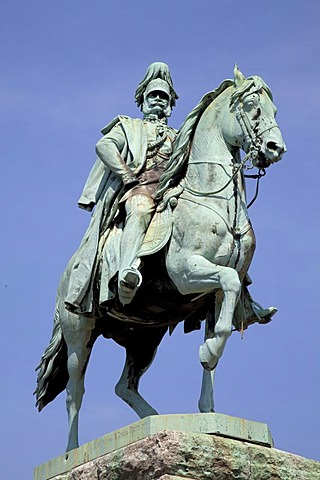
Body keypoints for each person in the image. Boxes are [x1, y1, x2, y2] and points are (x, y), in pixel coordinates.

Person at [65, 62, 178, 312]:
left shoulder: (179, 135)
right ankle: (127, 270)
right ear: (144, 100)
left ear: (170, 104)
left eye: (163, 96)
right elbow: (104, 146)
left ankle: (239, 299)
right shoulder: (128, 126)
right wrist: (126, 174)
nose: (158, 100)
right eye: (154, 95)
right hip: (139, 187)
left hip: (173, 192)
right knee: (140, 210)